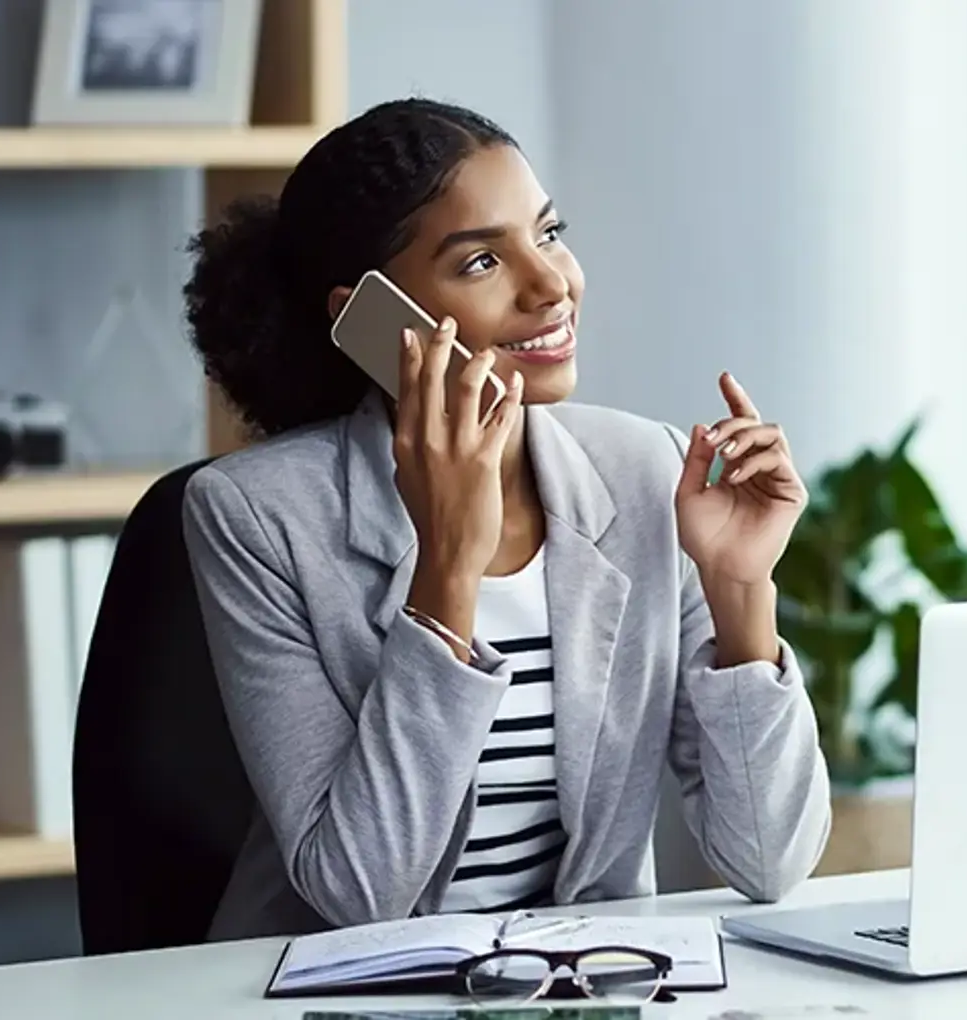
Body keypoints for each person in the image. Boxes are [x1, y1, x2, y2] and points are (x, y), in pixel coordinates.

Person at [179, 97, 832, 940]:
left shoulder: (646, 473)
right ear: (366, 318)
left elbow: (769, 861)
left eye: (549, 233)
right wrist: (448, 564)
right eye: (482, 262)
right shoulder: (257, 517)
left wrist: (740, 590)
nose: (552, 284)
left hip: (585, 984)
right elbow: (359, 893)